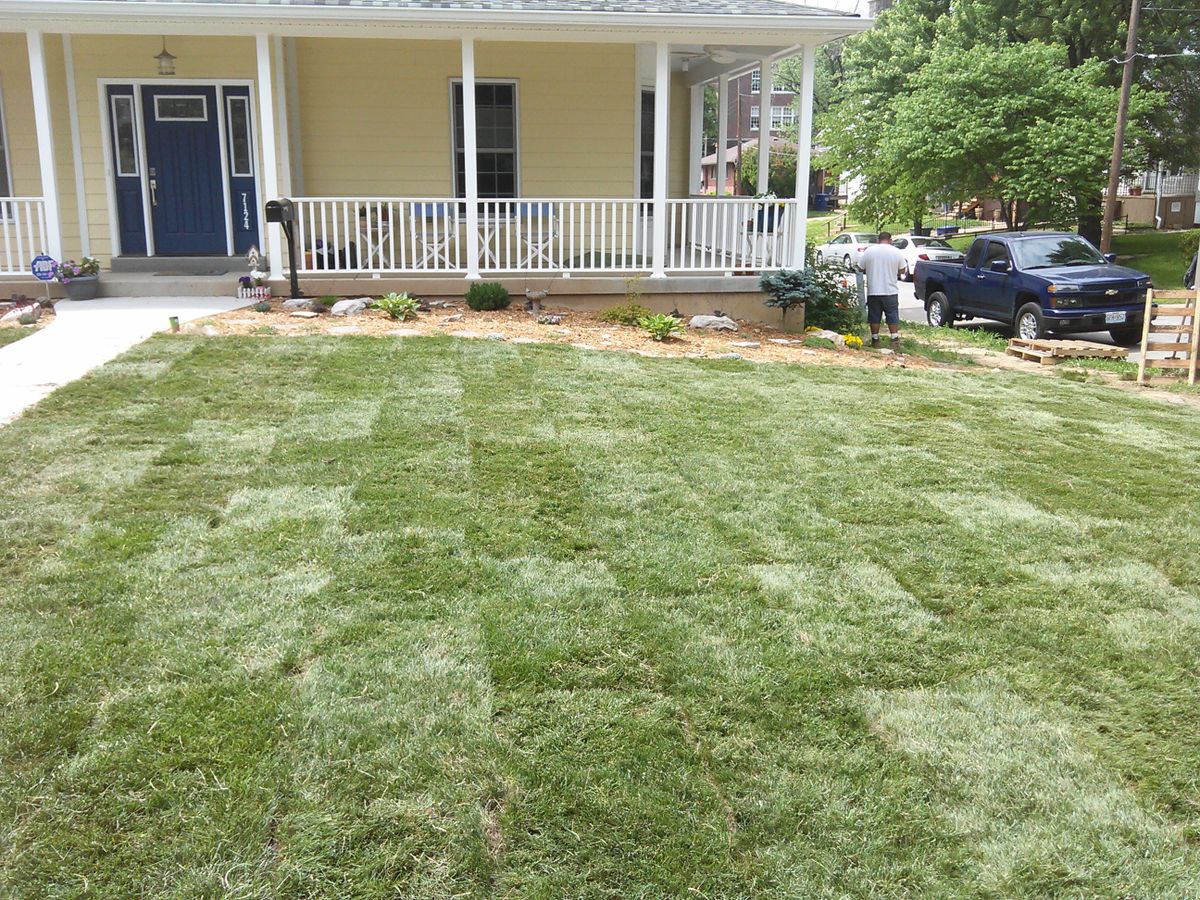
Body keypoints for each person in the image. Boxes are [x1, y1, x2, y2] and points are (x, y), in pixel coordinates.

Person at [857, 232, 908, 347]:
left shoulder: (869, 251)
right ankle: (894, 338)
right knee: (892, 314)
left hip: (873, 290)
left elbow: (860, 267)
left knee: (874, 315)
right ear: (890, 240)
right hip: (890, 290)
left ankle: (875, 339)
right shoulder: (896, 252)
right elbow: (903, 270)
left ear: (878, 240)